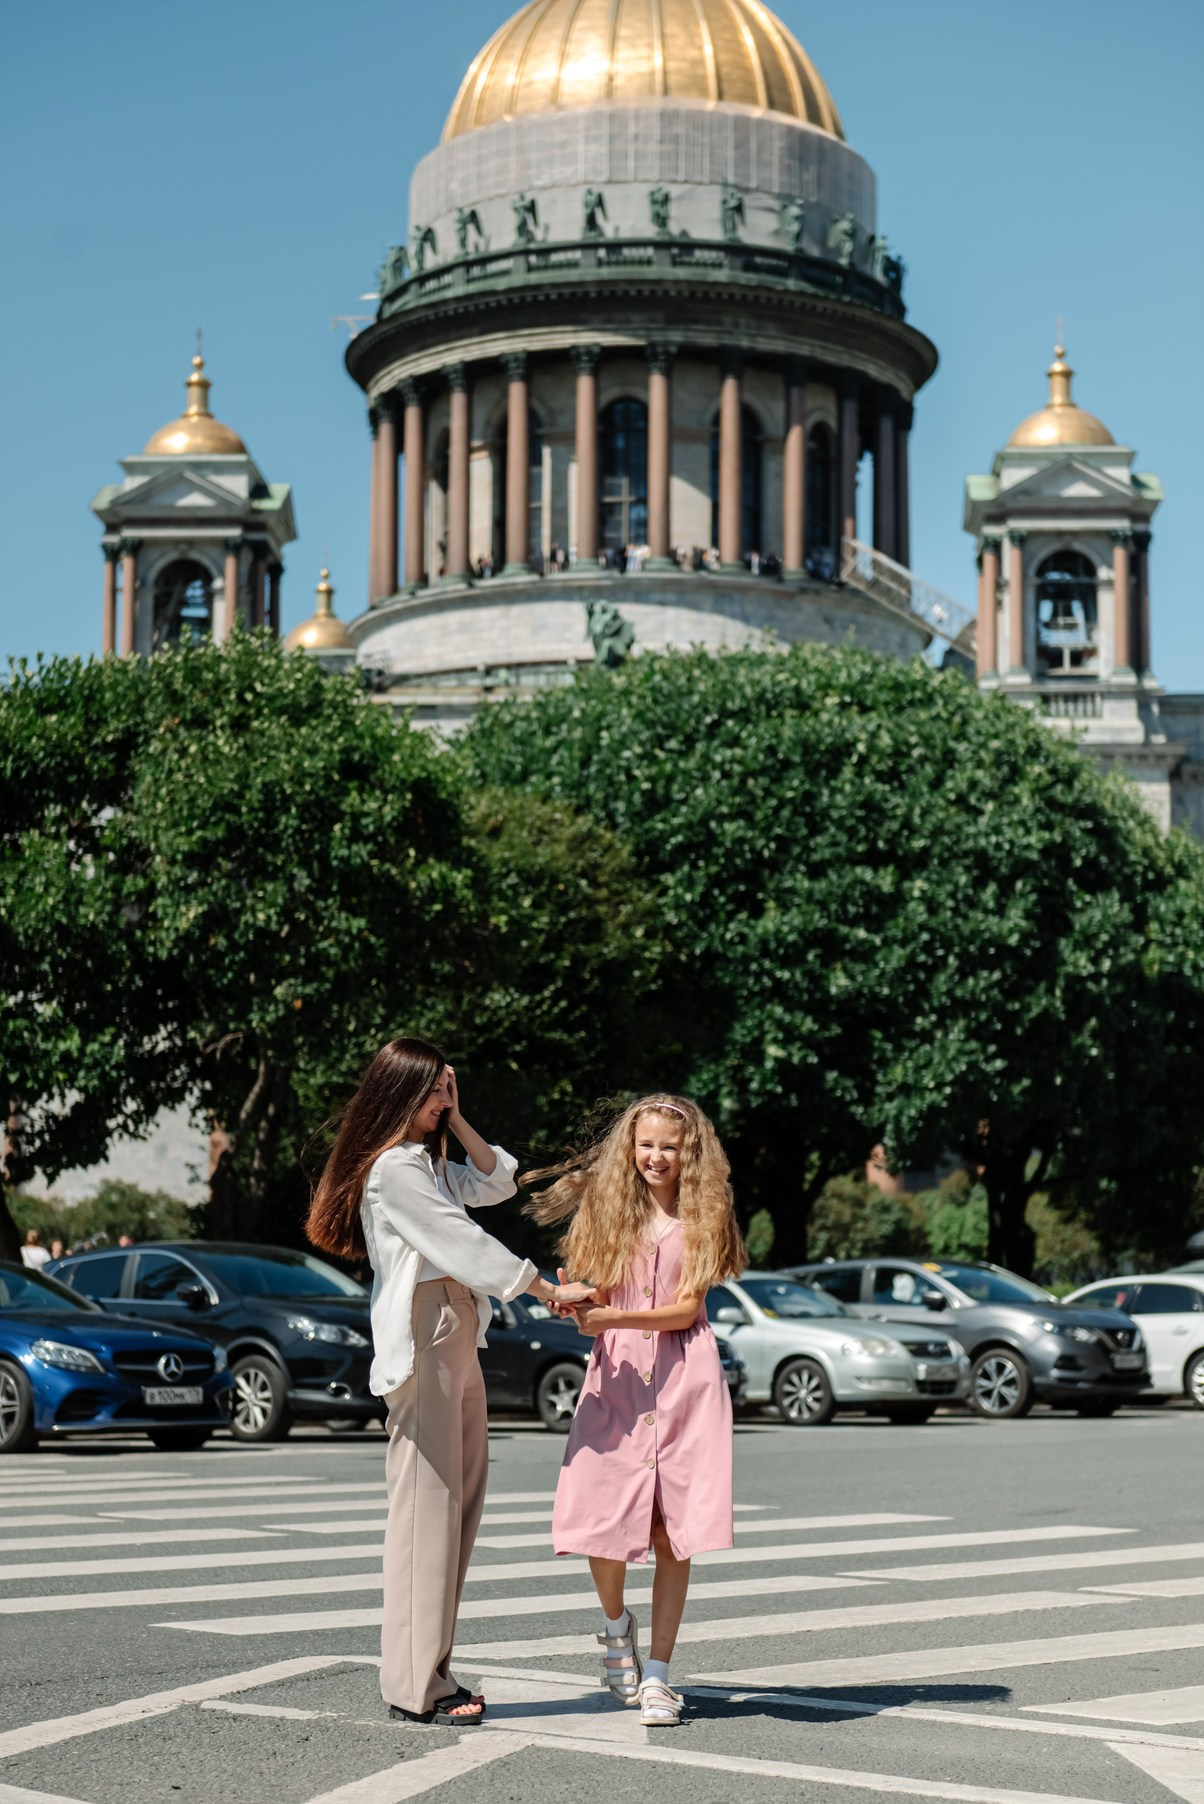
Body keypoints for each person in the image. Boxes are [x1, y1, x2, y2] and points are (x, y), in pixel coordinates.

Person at [305, 1036, 593, 1729]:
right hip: (428, 1325)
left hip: (457, 1323)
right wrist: (546, 1290)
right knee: (426, 1507)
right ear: (401, 1092)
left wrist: (458, 1118)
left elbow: (497, 1182)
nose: (442, 1098)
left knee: (458, 1504)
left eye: (447, 1087)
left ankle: (432, 1669)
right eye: (434, 1089)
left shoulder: (426, 1163)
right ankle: (415, 1683)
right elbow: (462, 1242)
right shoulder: (394, 1170)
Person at [524, 1094, 747, 1727]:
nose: (656, 1156)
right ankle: (616, 1628)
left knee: (672, 1531)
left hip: (683, 1379)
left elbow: (686, 1310)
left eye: (669, 1147)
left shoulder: (706, 1214)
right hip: (618, 1378)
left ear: (689, 1153)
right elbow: (596, 1293)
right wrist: (573, 1300)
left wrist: (612, 1316)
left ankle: (659, 1678)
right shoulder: (607, 1209)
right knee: (601, 1514)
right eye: (646, 1144)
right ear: (631, 1147)